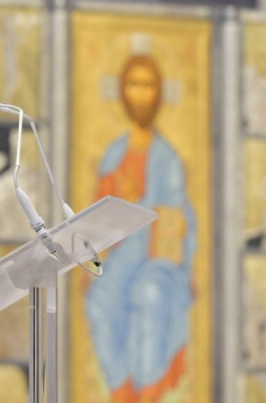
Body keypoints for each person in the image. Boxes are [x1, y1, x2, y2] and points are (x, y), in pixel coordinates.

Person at [83, 54, 196, 403]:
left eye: (149, 85)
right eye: (134, 84)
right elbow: (98, 221)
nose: (141, 94)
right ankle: (121, 391)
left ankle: (148, 392)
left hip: (161, 260)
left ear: (160, 94)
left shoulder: (167, 158)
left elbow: (175, 221)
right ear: (122, 93)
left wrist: (142, 208)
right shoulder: (114, 155)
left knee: (149, 296)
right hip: (124, 254)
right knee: (98, 300)